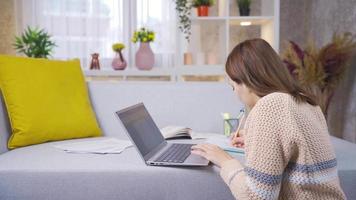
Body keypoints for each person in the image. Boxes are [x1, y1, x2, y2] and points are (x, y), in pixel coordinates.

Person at [191, 39, 346, 200]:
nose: (235, 94)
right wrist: (256, 140)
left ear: (247, 82)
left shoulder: (270, 106)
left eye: (233, 86)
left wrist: (225, 161)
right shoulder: (306, 103)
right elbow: (294, 145)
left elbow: (255, 197)